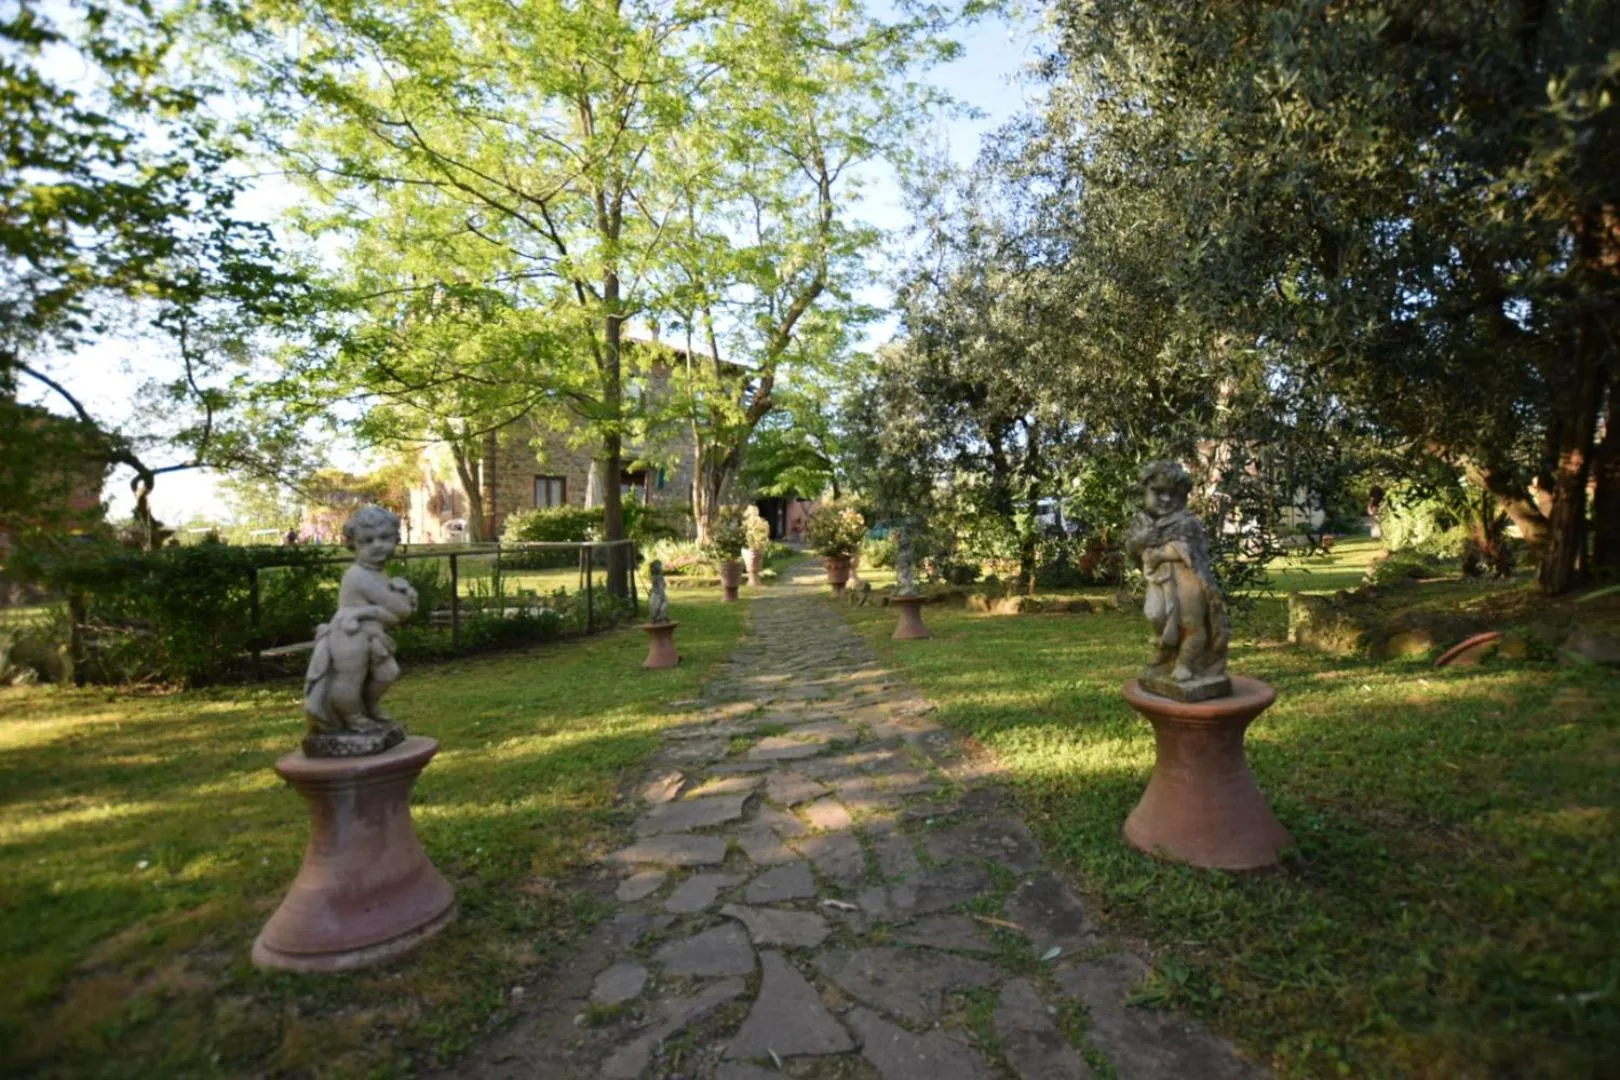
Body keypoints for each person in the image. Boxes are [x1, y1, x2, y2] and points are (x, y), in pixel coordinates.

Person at [303, 506, 418, 742]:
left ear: (396, 538)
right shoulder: (358, 575)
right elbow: (400, 610)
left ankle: (368, 707)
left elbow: (399, 611)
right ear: (353, 545)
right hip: (349, 634)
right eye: (367, 541)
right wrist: (404, 600)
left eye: (385, 538)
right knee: (350, 679)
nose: (378, 545)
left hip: (372, 635)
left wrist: (406, 598)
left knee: (388, 673)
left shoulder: (378, 573)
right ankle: (352, 718)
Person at [1124, 461, 1229, 689]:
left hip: (1188, 580)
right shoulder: (1142, 522)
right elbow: (1133, 548)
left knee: (1192, 623)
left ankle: (1186, 663)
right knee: (1154, 615)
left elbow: (1191, 551)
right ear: (1144, 490)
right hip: (1160, 581)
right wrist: (1143, 543)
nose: (1166, 499)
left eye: (1173, 494)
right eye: (1158, 492)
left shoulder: (1187, 522)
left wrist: (1161, 553)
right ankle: (1166, 652)